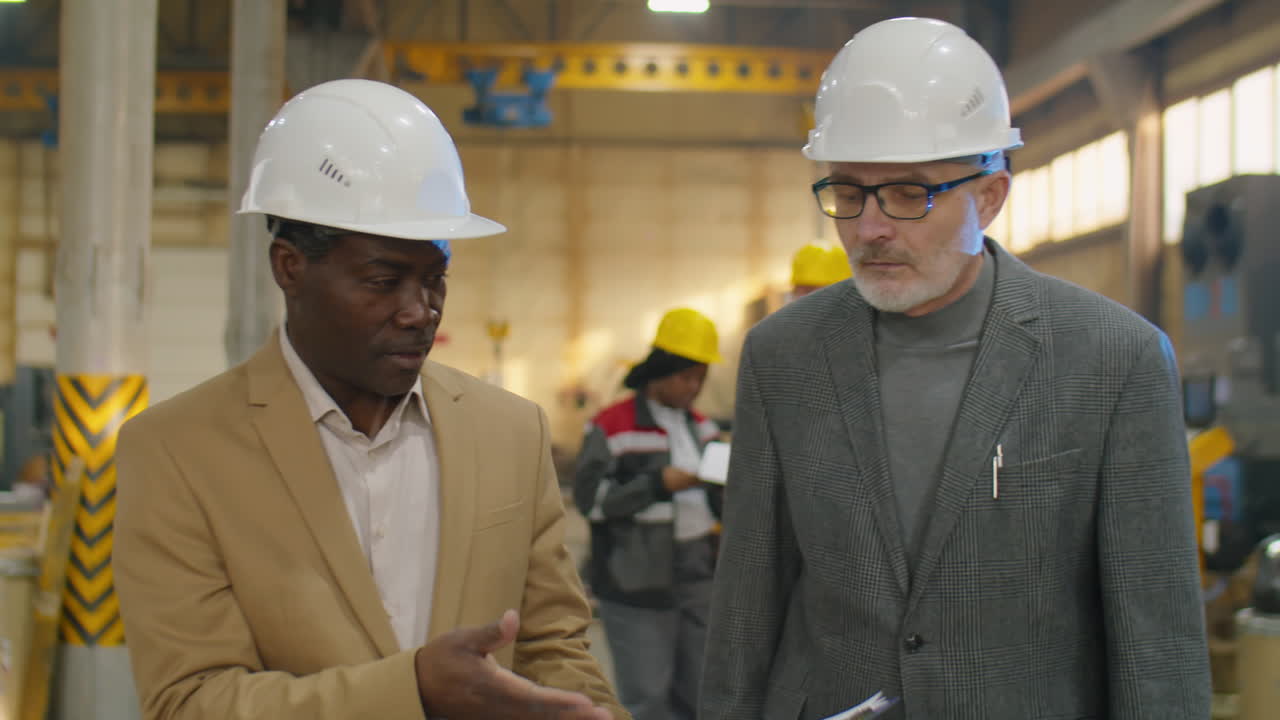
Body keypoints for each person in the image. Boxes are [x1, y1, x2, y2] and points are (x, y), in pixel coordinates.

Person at [701, 17, 1210, 720]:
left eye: (910, 194)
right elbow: (745, 607)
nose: (870, 227)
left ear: (991, 197)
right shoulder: (782, 357)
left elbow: (1158, 643)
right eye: (848, 192)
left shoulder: (1113, 360)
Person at [113, 79, 625, 720]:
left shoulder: (510, 433)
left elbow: (556, 647)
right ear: (289, 267)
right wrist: (412, 690)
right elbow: (191, 701)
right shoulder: (179, 452)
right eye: (384, 281)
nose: (420, 312)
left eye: (436, 281)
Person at [574, 308, 724, 720]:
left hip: (697, 573)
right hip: (635, 580)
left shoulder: (702, 428)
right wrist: (659, 485)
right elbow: (592, 502)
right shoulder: (612, 426)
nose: (694, 387)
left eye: (700, 378)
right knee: (648, 697)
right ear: (660, 371)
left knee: (699, 691)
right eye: (686, 377)